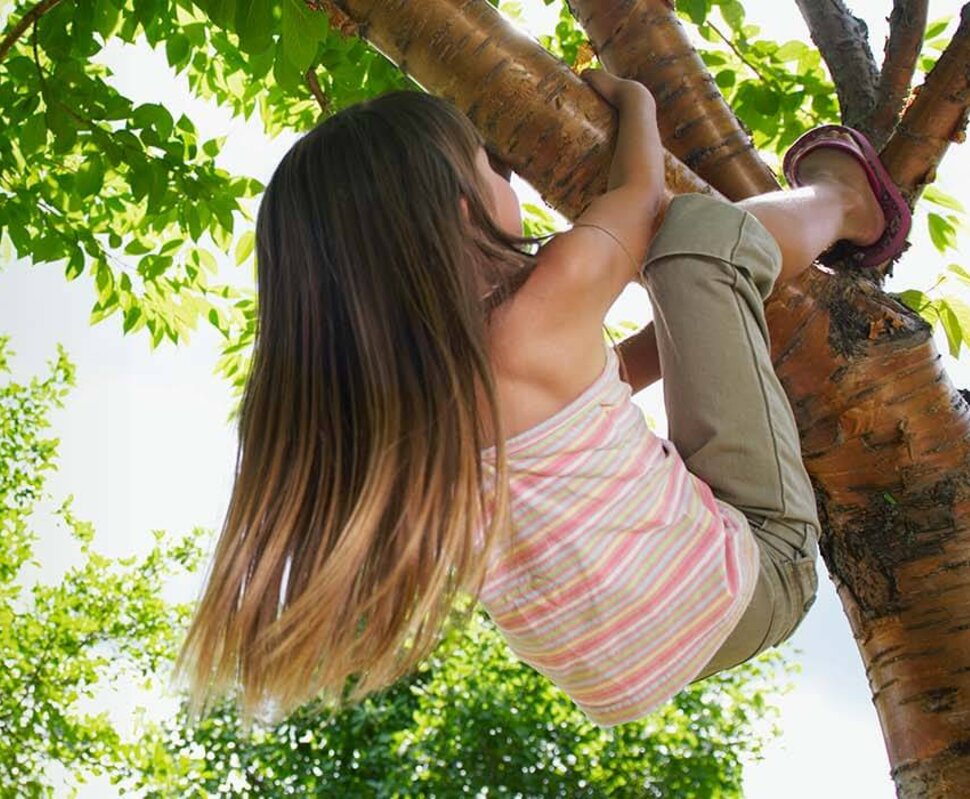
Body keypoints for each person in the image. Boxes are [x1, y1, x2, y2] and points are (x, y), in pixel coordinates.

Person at [175, 70, 911, 726]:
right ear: (461, 211)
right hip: (759, 568)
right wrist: (637, 99)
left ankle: (755, 294)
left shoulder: (389, 417)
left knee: (690, 296)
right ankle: (848, 204)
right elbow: (643, 198)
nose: (513, 184)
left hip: (618, 671)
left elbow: (580, 411)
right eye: (492, 167)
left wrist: (708, 333)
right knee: (701, 241)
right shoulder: (540, 308)